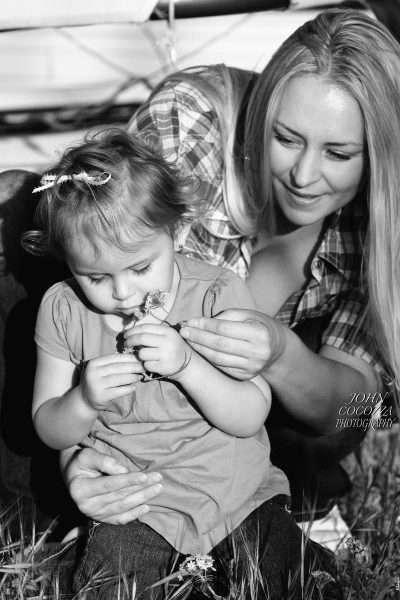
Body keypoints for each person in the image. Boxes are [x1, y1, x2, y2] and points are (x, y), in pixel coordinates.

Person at [61, 6, 400, 531]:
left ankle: (293, 499)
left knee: (349, 406)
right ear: (263, 111)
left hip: (242, 416)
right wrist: (70, 457)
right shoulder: (193, 123)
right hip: (124, 390)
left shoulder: (380, 220)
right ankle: (43, 497)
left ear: (378, 157)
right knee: (16, 196)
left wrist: (281, 354)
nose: (304, 175)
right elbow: (104, 293)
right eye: (286, 138)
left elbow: (358, 409)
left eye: (339, 153)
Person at [23, 129, 338, 599]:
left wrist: (187, 363)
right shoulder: (64, 309)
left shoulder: (215, 295)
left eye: (141, 267)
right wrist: (83, 399)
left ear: (174, 232)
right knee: (110, 586)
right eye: (95, 276)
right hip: (138, 504)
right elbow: (48, 427)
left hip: (236, 495)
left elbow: (250, 413)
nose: (123, 293)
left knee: (297, 582)